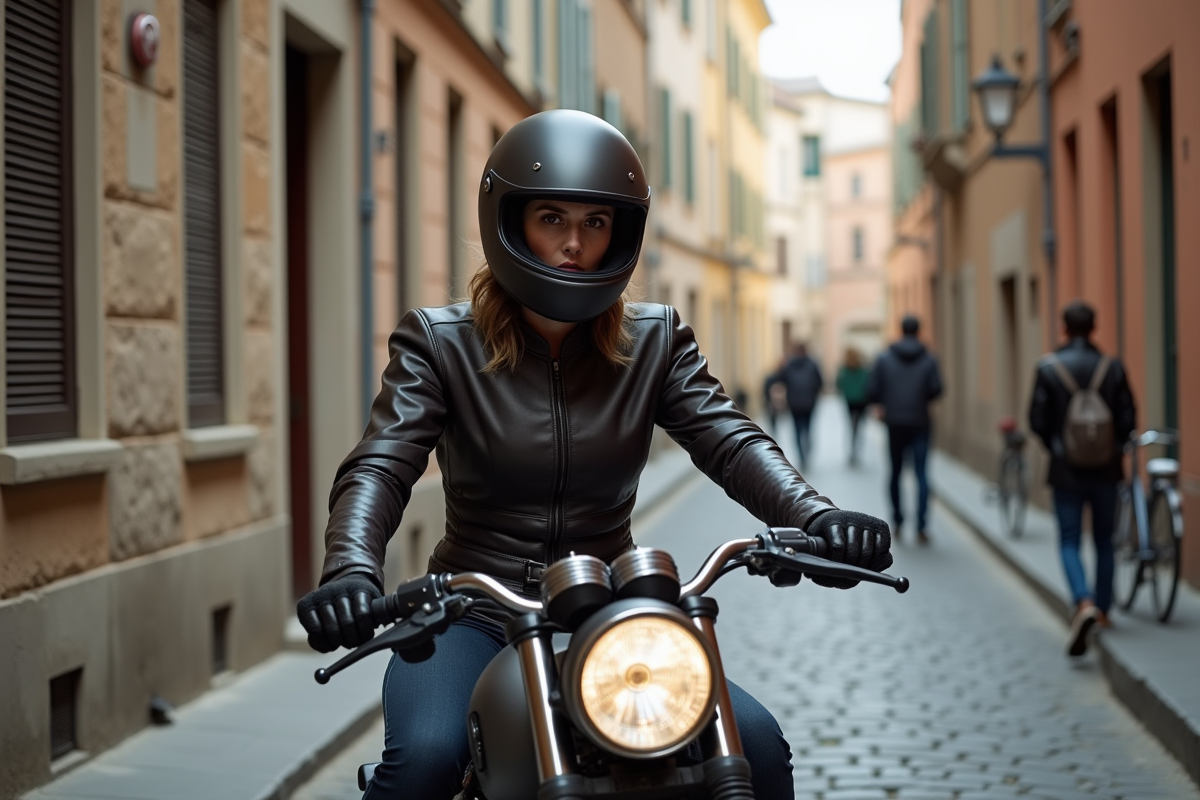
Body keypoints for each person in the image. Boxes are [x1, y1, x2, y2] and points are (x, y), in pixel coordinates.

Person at [295, 110, 893, 800]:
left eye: (596, 222)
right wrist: (350, 569)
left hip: (612, 608)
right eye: (552, 218)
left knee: (755, 746)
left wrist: (817, 518)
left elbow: (730, 440)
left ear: (621, 233)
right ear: (511, 219)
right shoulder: (440, 343)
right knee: (427, 759)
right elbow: (383, 461)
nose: (574, 243)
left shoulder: (655, 340)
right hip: (474, 612)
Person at [1028, 300, 1135, 657]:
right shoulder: (1113, 367)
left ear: (1064, 328)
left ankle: (1082, 600)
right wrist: (1113, 448)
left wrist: (1059, 448)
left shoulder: (1048, 368)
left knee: (1070, 538)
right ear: (1093, 328)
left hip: (1066, 470)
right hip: (1106, 470)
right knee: (1105, 540)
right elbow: (1127, 418)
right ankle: (1103, 610)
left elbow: (1037, 420)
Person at [867, 314, 943, 544]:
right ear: (919, 331)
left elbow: (872, 389)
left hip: (895, 422)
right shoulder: (929, 359)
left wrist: (884, 403)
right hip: (920, 421)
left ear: (901, 330)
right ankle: (921, 526)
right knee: (921, 473)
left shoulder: (885, 357)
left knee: (896, 472)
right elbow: (937, 389)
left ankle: (898, 521)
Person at [771, 342, 824, 470]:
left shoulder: (789, 364)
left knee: (797, 430)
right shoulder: (813, 364)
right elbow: (820, 382)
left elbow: (780, 380)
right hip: (809, 403)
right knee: (808, 428)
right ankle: (807, 451)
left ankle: (802, 456)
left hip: (794, 403)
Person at [836, 347, 871, 466]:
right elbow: (869, 384)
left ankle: (852, 450)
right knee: (859, 426)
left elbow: (839, 383)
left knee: (851, 426)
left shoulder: (844, 369)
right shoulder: (863, 369)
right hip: (862, 401)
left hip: (850, 401)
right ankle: (856, 449)